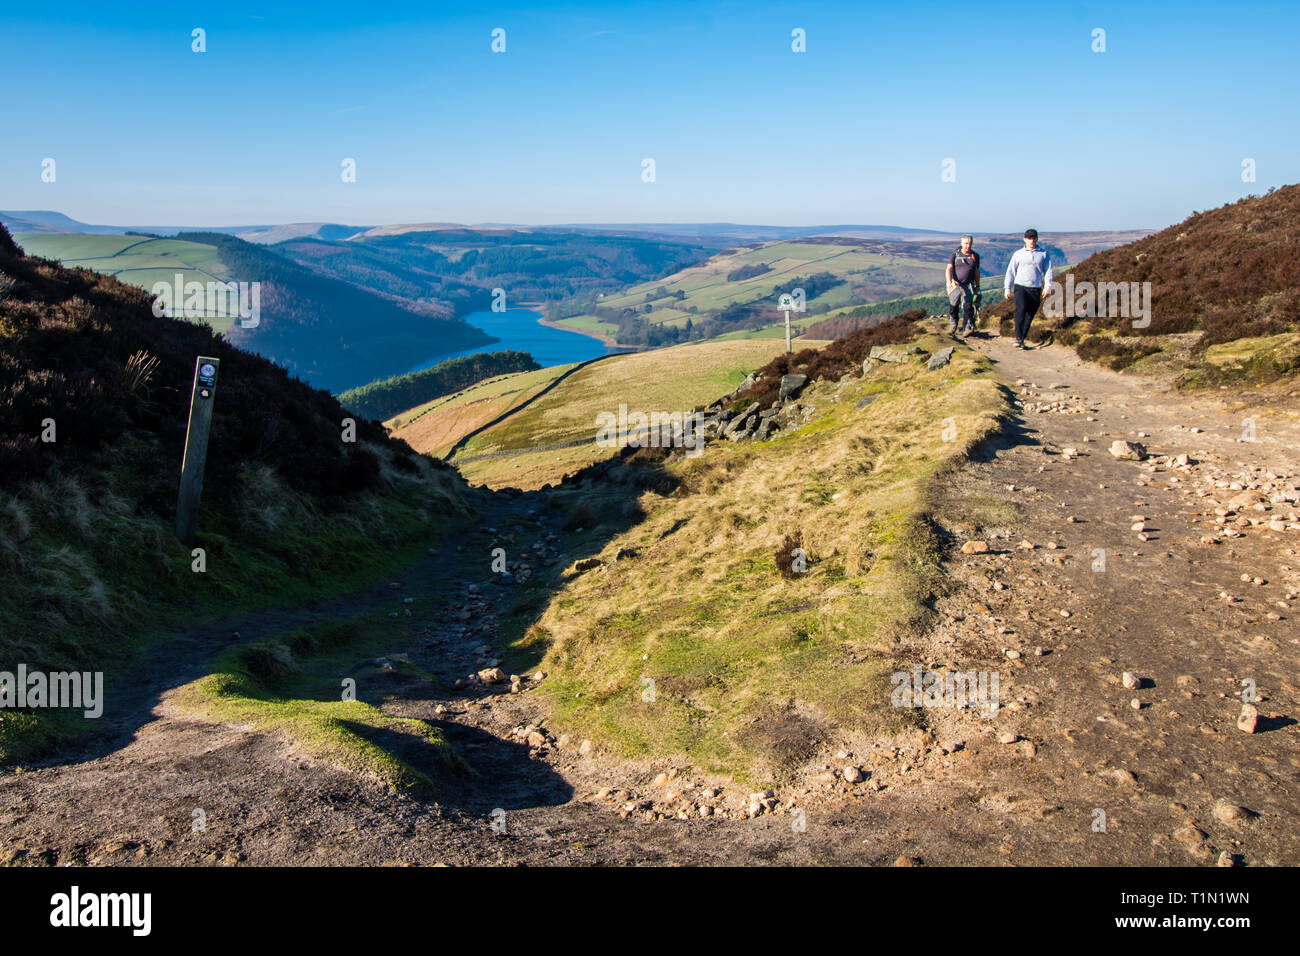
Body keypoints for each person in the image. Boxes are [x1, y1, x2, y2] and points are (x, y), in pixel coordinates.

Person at [1003, 228, 1053, 349]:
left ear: (1037, 239)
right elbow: (1010, 271)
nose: (1031, 240)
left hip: (1035, 288)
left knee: (1030, 315)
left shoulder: (1043, 254)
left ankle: (1022, 339)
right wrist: (1007, 288)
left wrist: (1047, 287)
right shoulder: (1018, 254)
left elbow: (1048, 271)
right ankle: (1018, 338)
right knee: (1020, 310)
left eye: (1033, 238)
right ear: (1024, 239)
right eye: (1029, 238)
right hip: (1020, 287)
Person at [945, 235, 980, 336]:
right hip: (955, 284)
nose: (967, 246)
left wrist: (977, 286)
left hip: (969, 285)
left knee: (968, 306)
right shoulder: (955, 255)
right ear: (961, 243)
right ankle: (953, 325)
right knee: (953, 306)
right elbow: (949, 269)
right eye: (966, 243)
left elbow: (977, 271)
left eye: (970, 244)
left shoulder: (975, 256)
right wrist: (949, 282)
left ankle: (968, 328)